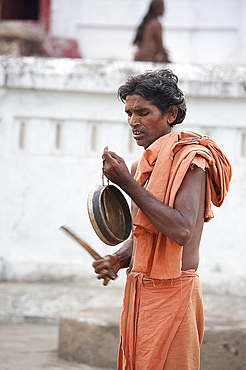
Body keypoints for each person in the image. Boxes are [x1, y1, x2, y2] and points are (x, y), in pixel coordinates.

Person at [92, 69, 231, 370]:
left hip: (175, 292)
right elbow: (145, 234)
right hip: (142, 292)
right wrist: (117, 259)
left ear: (170, 113)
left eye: (143, 112)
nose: (133, 122)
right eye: (129, 113)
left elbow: (180, 229)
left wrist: (127, 184)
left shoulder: (192, 160)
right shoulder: (141, 165)